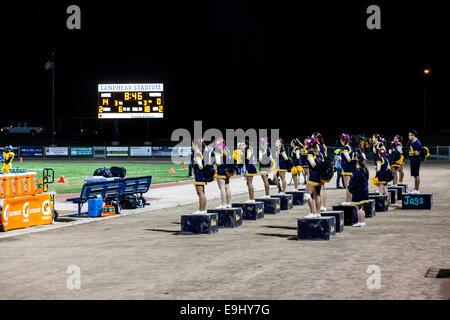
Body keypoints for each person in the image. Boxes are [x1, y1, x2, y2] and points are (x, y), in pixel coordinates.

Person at [304, 137, 324, 218]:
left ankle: (312, 212)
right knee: (317, 194)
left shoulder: (310, 153)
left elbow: (313, 165)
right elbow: (322, 164)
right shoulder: (320, 153)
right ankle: (318, 213)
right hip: (320, 176)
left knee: (307, 194)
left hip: (313, 176)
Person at [348, 156, 370, 227]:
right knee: (362, 207)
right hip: (365, 191)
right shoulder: (365, 170)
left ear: (357, 163)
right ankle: (363, 221)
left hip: (358, 192)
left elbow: (354, 182)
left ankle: (358, 222)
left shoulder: (357, 172)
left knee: (357, 207)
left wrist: (350, 188)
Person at [214, 137, 233, 208]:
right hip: (227, 171)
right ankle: (228, 204)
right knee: (227, 187)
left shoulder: (218, 150)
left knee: (222, 188)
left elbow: (218, 163)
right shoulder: (227, 150)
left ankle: (223, 204)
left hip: (221, 170)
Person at [312, 132, 327, 211]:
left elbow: (317, 157)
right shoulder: (322, 146)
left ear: (316, 139)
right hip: (323, 168)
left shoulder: (317, 146)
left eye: (312, 138)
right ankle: (323, 206)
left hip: (319, 168)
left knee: (318, 189)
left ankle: (321, 205)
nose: (311, 140)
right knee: (322, 188)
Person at [339, 133, 356, 205]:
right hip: (350, 168)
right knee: (350, 185)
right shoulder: (350, 147)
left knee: (347, 185)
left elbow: (348, 159)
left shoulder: (345, 148)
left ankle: (348, 201)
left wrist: (341, 156)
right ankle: (349, 200)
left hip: (346, 168)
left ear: (343, 140)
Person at [192, 140, 207, 214]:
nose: (192, 146)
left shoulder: (197, 154)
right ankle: (203, 209)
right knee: (202, 193)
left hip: (199, 176)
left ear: (196, 145)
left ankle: (201, 210)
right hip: (201, 176)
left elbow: (200, 166)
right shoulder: (200, 153)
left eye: (192, 144)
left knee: (200, 193)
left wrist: (199, 167)